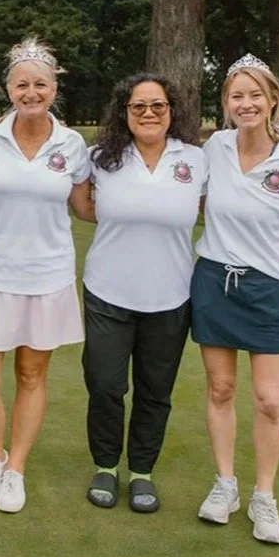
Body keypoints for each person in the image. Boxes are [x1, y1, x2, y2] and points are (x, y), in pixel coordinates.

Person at [192, 54, 279, 544]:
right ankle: (224, 484)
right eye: (235, 96)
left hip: (272, 288)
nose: (245, 104)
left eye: (254, 95)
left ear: (273, 100)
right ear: (225, 104)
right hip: (214, 282)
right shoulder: (214, 148)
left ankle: (263, 497)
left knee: (269, 400)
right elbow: (201, 202)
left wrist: (270, 251)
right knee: (220, 389)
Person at [0, 38, 92, 514]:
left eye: (40, 84)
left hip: (48, 275)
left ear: (54, 88)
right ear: (7, 88)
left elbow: (85, 207)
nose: (30, 92)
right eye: (21, 84)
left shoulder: (73, 145)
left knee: (31, 375)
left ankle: (16, 469)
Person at [82, 73, 205, 514]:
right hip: (107, 291)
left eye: (158, 105)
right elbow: (82, 205)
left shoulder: (196, 159)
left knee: (155, 390)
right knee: (105, 384)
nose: (149, 113)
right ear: (124, 112)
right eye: (138, 106)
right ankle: (105, 465)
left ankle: (141, 473)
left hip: (171, 296)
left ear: (172, 110)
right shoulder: (100, 158)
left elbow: (212, 209)